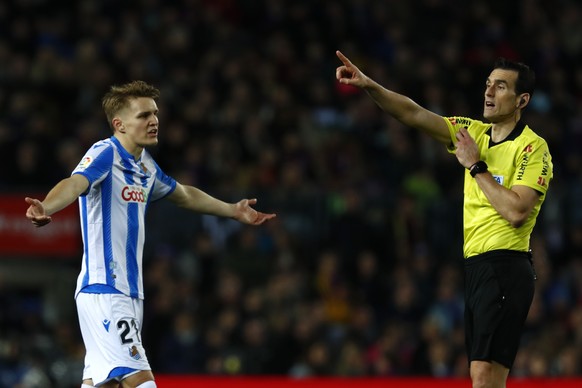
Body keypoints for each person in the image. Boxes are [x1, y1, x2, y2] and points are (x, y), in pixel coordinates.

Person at [25, 80, 276, 388]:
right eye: (143, 115)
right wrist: (47, 206)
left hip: (129, 294)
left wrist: (232, 210)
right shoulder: (105, 153)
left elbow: (183, 194)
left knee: (102, 384)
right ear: (120, 124)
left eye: (155, 113)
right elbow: (75, 183)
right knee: (141, 381)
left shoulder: (144, 165)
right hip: (105, 288)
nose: (154, 120)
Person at [335, 50, 552, 387]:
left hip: (506, 266)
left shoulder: (532, 148)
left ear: (522, 99)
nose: (489, 93)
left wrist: (476, 166)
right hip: (478, 267)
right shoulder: (473, 133)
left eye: (500, 87)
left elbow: (516, 212)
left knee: (483, 376)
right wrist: (368, 85)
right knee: (488, 378)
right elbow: (413, 114)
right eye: (487, 85)